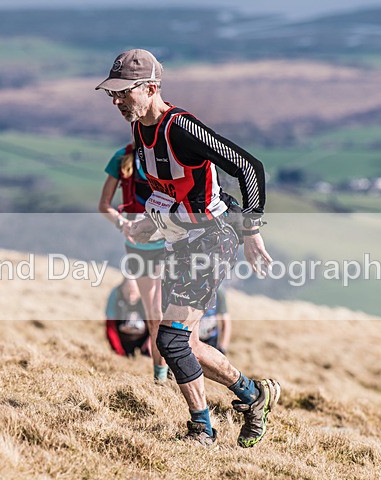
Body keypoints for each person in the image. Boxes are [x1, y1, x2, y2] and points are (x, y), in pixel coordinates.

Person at [96, 49, 280, 448]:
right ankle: (253, 396)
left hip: (212, 240)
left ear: (150, 88)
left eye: (123, 93)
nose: (115, 101)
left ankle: (203, 429)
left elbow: (249, 168)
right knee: (188, 342)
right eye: (112, 93)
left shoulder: (180, 128)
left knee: (171, 340)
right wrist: (151, 222)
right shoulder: (140, 127)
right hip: (183, 241)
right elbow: (175, 194)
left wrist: (251, 231)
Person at [99, 143, 169, 382]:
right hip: (140, 249)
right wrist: (123, 224)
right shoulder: (122, 157)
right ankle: (160, 377)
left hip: (171, 245)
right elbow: (104, 205)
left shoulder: (169, 156)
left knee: (168, 315)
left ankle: (176, 371)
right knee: (155, 317)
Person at [104, 278, 150, 358]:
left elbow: (156, 326)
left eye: (134, 292)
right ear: (122, 288)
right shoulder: (116, 294)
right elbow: (110, 327)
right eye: (128, 292)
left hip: (144, 342)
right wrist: (119, 351)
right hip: (123, 341)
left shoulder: (148, 297)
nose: (131, 296)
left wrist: (149, 344)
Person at [198, 286, 231, 354]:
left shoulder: (218, 292)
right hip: (193, 341)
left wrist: (222, 348)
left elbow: (226, 322)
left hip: (211, 341)